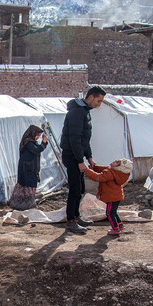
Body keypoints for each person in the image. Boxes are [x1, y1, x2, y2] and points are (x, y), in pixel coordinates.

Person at [60, 86, 106, 234]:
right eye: (99, 101)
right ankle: (70, 221)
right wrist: (80, 160)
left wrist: (89, 157)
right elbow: (74, 139)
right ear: (91, 97)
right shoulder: (77, 112)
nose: (99, 104)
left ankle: (76, 216)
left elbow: (85, 139)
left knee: (80, 188)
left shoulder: (84, 112)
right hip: (72, 156)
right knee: (74, 189)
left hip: (77, 155)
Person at [84, 158, 133, 235]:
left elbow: (98, 177)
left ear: (120, 167)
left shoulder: (111, 173)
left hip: (112, 197)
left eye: (117, 162)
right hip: (116, 196)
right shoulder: (116, 172)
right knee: (113, 212)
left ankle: (115, 229)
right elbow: (103, 169)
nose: (114, 161)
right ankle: (120, 225)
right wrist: (94, 166)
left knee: (109, 213)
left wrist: (87, 171)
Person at [9, 125, 48, 210]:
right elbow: (37, 150)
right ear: (33, 133)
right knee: (27, 185)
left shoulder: (30, 142)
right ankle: (25, 205)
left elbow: (37, 149)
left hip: (29, 168)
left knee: (28, 185)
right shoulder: (28, 142)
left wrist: (43, 142)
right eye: (37, 135)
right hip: (27, 169)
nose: (38, 137)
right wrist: (44, 142)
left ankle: (24, 205)